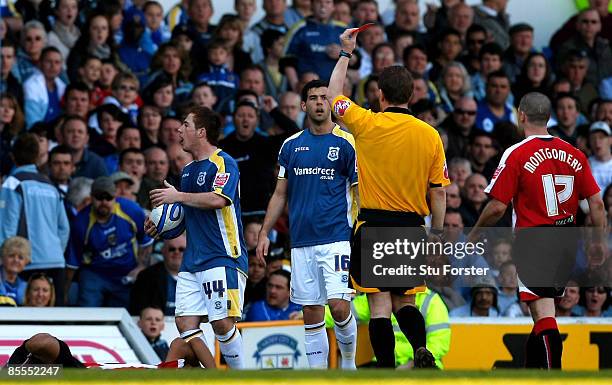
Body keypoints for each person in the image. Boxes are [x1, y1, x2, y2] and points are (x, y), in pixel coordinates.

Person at [327, 28, 449, 368]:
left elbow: (333, 93)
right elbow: (438, 192)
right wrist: (436, 233)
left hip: (373, 224)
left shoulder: (366, 123)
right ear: (411, 95)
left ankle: (384, 367)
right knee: (405, 303)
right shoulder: (430, 136)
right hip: (411, 227)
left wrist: (346, 53)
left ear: (380, 94)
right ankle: (420, 348)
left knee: (379, 306)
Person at [468, 92, 606, 369]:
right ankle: (531, 371)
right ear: (549, 117)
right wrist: (598, 242)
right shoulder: (575, 154)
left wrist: (474, 232)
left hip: (534, 243)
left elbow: (497, 207)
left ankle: (554, 374)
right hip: (567, 242)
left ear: (521, 115)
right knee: (543, 312)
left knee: (543, 315)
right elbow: (597, 203)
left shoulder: (517, 152)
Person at [256, 79, 358, 369]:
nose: (318, 102)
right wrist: (264, 232)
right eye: (313, 98)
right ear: (304, 105)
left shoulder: (346, 142)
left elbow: (359, 191)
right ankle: (318, 375)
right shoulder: (290, 145)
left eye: (324, 98)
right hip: (301, 242)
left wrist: (359, 230)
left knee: (338, 307)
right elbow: (280, 193)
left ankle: (348, 364)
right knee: (312, 313)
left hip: (337, 237)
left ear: (332, 103)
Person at [147, 106, 248, 369]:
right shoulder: (189, 171)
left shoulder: (225, 162)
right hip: (193, 261)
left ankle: (241, 377)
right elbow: (188, 216)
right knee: (185, 325)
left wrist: (177, 197)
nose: (179, 130)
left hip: (222, 255)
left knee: (222, 323)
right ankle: (216, 376)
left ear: (201, 132)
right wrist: (162, 224)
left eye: (185, 125)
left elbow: (218, 200)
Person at [0, 134, 70, 306]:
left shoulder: (13, 183)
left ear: (12, 157)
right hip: (55, 261)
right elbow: (64, 228)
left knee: (26, 326)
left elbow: (7, 227)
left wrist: (6, 260)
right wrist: (54, 252)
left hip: (26, 263)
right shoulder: (50, 185)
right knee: (57, 325)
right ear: (38, 157)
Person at [67, 176, 153, 308]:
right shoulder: (81, 222)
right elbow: (73, 262)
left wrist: (140, 267)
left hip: (126, 272)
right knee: (88, 314)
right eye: (99, 197)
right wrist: (64, 294)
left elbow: (146, 241)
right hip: (95, 273)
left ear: (115, 196)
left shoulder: (131, 210)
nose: (103, 202)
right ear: (91, 197)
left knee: (124, 313)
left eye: (108, 198)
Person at [130, 234, 186, 316]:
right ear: (163, 251)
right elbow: (137, 311)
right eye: (171, 249)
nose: (176, 252)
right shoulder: (146, 277)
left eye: (181, 249)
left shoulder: (199, 277)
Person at [0, 236, 31, 305]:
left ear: (26, 262)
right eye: (11, 256)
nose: (16, 260)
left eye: (20, 257)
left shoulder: (26, 287)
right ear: (2, 258)